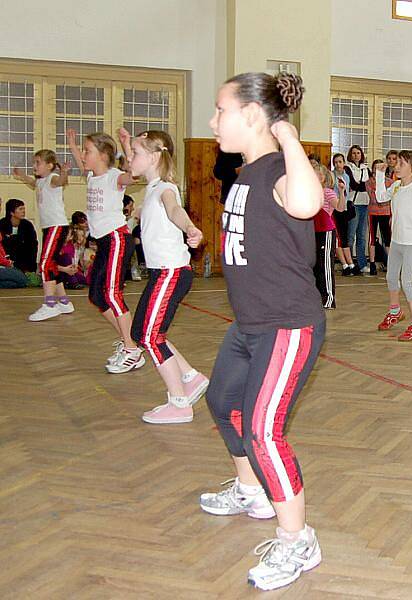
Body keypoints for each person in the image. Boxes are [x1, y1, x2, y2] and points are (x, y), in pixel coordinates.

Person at [202, 71, 326, 592]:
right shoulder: (244, 172)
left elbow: (307, 205)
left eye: (219, 110)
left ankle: (298, 540)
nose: (212, 121)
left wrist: (290, 136)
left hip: (288, 326)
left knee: (262, 430)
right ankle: (251, 489)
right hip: (249, 325)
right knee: (221, 400)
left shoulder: (278, 166)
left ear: (252, 116)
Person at [117, 127, 209, 422]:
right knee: (141, 332)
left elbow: (175, 211)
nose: (130, 158)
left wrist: (190, 228)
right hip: (162, 274)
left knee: (149, 335)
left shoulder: (166, 189)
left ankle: (180, 403)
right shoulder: (152, 188)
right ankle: (190, 378)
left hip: (171, 273)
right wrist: (126, 143)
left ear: (155, 157)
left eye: (135, 153)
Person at [67, 128, 140, 373]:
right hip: (105, 242)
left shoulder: (113, 177)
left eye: (88, 151)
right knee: (96, 296)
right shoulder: (92, 177)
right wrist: (73, 144)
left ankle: (132, 350)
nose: (84, 156)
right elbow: (80, 163)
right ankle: (128, 339)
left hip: (117, 238)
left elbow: (134, 176)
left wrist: (127, 144)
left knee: (111, 293)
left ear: (103, 155)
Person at [374, 150, 412, 340]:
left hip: (411, 243)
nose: (397, 166)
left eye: (401, 164)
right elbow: (380, 198)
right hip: (396, 242)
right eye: (397, 163)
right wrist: (378, 175)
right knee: (391, 278)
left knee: (407, 282)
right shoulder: (395, 186)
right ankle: (395, 312)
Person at [13, 150, 75, 320]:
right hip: (49, 227)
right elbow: (33, 183)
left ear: (49, 165)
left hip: (57, 226)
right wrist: (22, 176)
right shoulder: (41, 181)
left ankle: (50, 304)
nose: (34, 166)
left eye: (37, 162)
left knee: (45, 263)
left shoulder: (52, 178)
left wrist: (64, 172)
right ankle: (63, 301)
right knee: (52, 264)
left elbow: (61, 181)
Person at [312, 164, 345, 308]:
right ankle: (316, 297)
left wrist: (342, 192)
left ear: (323, 177)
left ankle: (328, 298)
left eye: (317, 174)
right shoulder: (309, 192)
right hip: (312, 232)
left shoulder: (327, 192)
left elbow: (340, 208)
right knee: (314, 265)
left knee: (325, 265)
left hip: (326, 232)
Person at [344, 145, 371, 273]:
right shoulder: (347, 168)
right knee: (350, 236)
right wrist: (362, 185)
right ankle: (349, 263)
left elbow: (369, 185)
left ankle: (362, 264)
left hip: (365, 203)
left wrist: (362, 186)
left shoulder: (366, 169)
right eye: (354, 153)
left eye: (358, 153)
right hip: (353, 204)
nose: (356, 155)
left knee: (362, 236)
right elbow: (353, 185)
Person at [366, 156, 393, 276]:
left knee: (387, 238)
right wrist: (382, 198)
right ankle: (372, 263)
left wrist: (383, 199)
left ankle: (391, 264)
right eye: (376, 168)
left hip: (386, 212)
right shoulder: (369, 182)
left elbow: (388, 198)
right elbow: (375, 198)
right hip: (373, 212)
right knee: (372, 237)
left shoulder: (389, 182)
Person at [331, 153, 356, 275]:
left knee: (345, 237)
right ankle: (344, 264)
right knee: (339, 237)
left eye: (340, 161)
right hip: (334, 208)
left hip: (344, 208)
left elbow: (347, 192)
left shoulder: (346, 176)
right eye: (335, 162)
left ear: (344, 163)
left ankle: (350, 263)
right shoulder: (331, 175)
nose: (338, 164)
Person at [0, 199, 38, 275]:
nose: (23, 211)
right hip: (7, 261)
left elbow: (33, 246)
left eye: (24, 209)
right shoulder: (2, 224)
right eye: (20, 209)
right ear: (11, 212)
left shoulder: (27, 225)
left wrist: (31, 268)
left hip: (24, 261)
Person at [56, 224, 92, 289]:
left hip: (71, 269)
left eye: (83, 236)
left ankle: (70, 281)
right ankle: (72, 282)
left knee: (84, 280)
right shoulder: (61, 246)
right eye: (78, 236)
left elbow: (76, 262)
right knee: (66, 257)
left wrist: (76, 267)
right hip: (61, 270)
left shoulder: (75, 247)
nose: (80, 238)